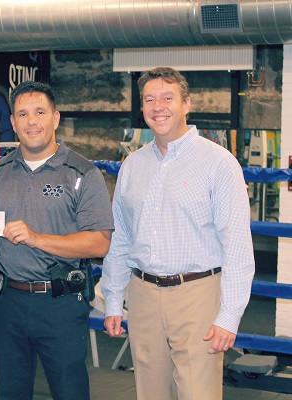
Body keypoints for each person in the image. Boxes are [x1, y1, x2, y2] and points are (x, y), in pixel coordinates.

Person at [101, 67, 255, 400]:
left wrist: (230, 314)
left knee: (199, 393)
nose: (158, 107)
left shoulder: (218, 163)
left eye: (167, 98)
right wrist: (113, 299)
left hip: (197, 294)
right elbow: (121, 239)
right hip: (143, 295)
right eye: (149, 99)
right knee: (150, 393)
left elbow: (238, 244)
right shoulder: (132, 165)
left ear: (187, 104)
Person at [0, 81, 114, 400]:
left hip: (60, 302)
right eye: (23, 114)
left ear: (55, 118)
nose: (31, 121)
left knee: (69, 392)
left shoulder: (82, 173)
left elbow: (100, 243)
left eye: (40, 112)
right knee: (11, 392)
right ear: (13, 122)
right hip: (8, 301)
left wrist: (37, 239)